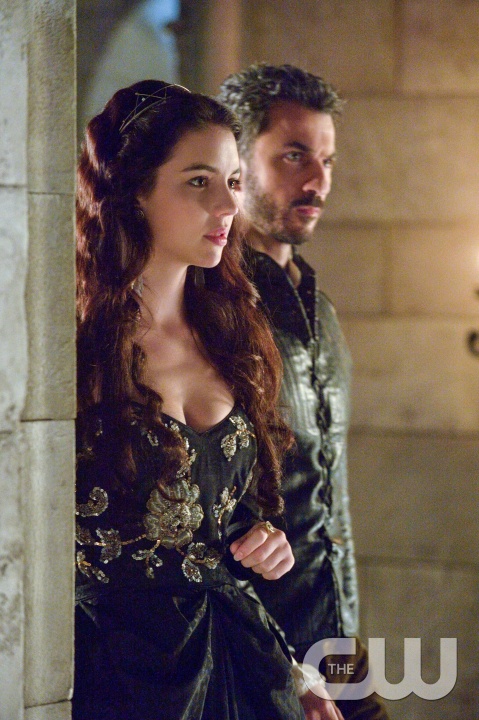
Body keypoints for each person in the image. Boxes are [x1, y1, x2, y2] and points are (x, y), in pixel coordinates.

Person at [74, 79, 319, 720]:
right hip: (120, 680)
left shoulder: (234, 334)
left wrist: (264, 544)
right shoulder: (71, 350)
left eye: (234, 181)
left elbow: (228, 527)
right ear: (134, 191)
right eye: (199, 181)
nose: (228, 203)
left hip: (243, 663)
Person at [219, 64, 390, 720]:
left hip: (336, 643)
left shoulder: (320, 311)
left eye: (326, 159)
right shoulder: (209, 308)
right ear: (236, 163)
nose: (317, 180)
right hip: (254, 657)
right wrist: (284, 669)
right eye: (293, 156)